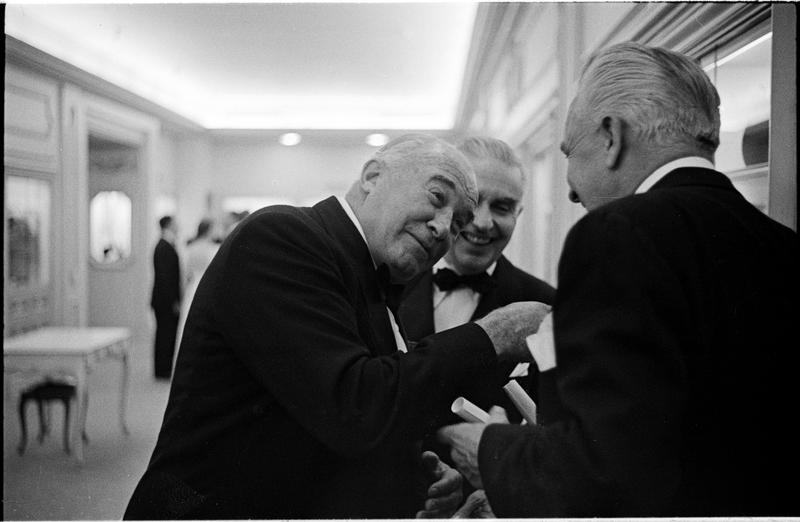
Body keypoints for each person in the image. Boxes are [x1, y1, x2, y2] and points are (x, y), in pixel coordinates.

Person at [438, 42, 799, 517]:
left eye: (570, 152)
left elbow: (606, 470)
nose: (570, 190)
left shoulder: (616, 233)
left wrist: (490, 452)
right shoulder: (782, 243)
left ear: (611, 135)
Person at [124, 133, 551, 519]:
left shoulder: (376, 276)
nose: (444, 228)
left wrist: (418, 480)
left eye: (456, 223)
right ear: (372, 176)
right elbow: (355, 405)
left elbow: (343, 418)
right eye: (437, 196)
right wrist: (491, 335)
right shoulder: (282, 237)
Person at [399, 136, 556, 426]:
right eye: (473, 202)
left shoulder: (545, 304)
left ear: (518, 214)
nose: (483, 222)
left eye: (502, 207)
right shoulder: (390, 284)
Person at [174, 217, 219, 353]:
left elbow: (185, 274)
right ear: (209, 230)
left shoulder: (190, 248)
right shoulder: (213, 249)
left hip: (192, 287)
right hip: (207, 287)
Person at [150, 215, 181, 380]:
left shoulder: (167, 245)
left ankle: (165, 367)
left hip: (165, 299)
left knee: (167, 334)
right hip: (164, 301)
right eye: (175, 223)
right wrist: (173, 301)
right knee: (164, 335)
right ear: (168, 225)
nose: (178, 225)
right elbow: (165, 278)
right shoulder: (163, 247)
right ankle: (162, 369)